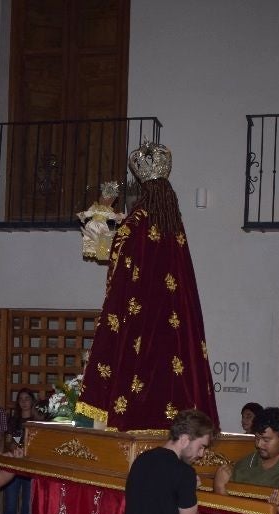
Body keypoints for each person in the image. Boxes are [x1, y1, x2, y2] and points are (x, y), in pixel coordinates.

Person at [75, 142, 219, 431]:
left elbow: (103, 250)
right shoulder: (175, 230)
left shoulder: (136, 223)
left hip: (142, 324)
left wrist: (104, 205)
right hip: (175, 327)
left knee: (134, 371)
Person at [0, 388, 43, 514]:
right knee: (11, 502)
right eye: (21, 399)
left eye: (27, 398)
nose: (24, 402)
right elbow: (10, 441)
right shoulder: (13, 420)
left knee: (27, 504)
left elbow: (39, 444)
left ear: (32, 401)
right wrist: (15, 447)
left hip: (30, 466)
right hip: (14, 465)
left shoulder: (37, 420)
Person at [77, 180, 126, 263]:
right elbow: (112, 216)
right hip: (97, 225)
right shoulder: (98, 208)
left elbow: (89, 213)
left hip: (95, 225)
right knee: (94, 239)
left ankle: (102, 253)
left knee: (101, 239)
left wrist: (83, 216)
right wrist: (119, 217)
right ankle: (96, 251)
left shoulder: (102, 209)